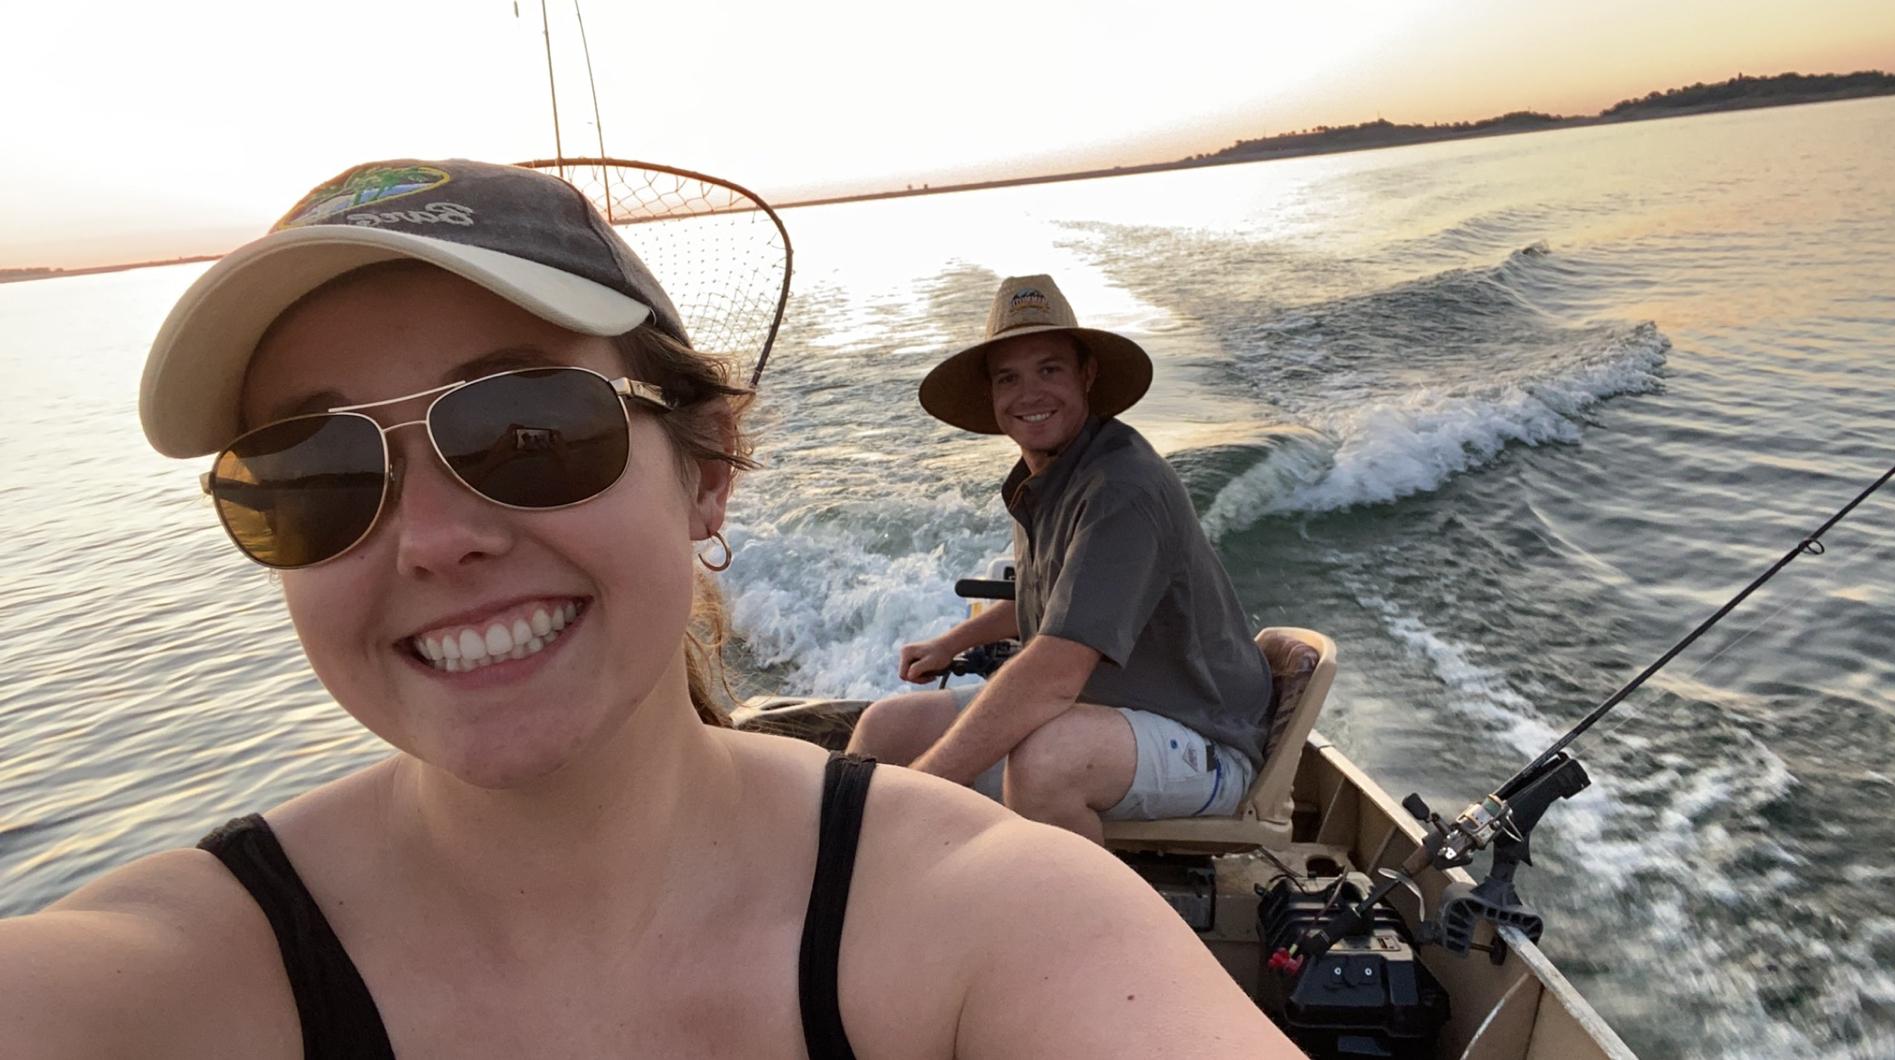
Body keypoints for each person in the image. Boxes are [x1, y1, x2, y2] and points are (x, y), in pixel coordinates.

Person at [0, 161, 1302, 1057]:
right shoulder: (158, 977)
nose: (438, 539)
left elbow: (1064, 661)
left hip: (1177, 729)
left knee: (1034, 754)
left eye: (528, 427)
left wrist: (945, 827)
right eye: (311, 469)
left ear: (707, 468)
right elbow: (1032, 607)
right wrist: (956, 656)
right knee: (904, 726)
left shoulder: (1016, 920)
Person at [848, 276, 1273, 844]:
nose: (1030, 394)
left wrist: (920, 790)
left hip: (1204, 735)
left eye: (1050, 369)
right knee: (886, 729)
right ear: (992, 396)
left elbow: (1054, 670)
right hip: (1107, 707)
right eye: (1009, 378)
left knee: (1047, 762)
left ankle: (1075, 927)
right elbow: (1052, 597)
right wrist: (953, 643)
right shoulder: (1049, 477)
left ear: (1086, 375)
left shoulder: (1121, 488)